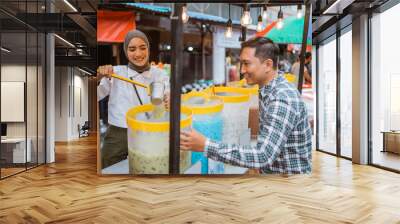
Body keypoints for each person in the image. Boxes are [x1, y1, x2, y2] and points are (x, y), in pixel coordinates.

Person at [180, 37, 312, 174]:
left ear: (267, 65)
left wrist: (205, 145)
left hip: (291, 184)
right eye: (241, 63)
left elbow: (263, 155)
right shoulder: (269, 89)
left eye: (246, 64)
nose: (242, 70)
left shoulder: (282, 98)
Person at [97, 30, 169, 169]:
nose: (138, 54)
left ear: (148, 49)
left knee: (149, 168)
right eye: (132, 49)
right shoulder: (115, 73)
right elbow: (95, 95)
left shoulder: (159, 74)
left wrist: (169, 99)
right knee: (109, 168)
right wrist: (98, 77)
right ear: (125, 51)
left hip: (149, 132)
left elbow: (167, 94)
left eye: (143, 47)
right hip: (118, 134)